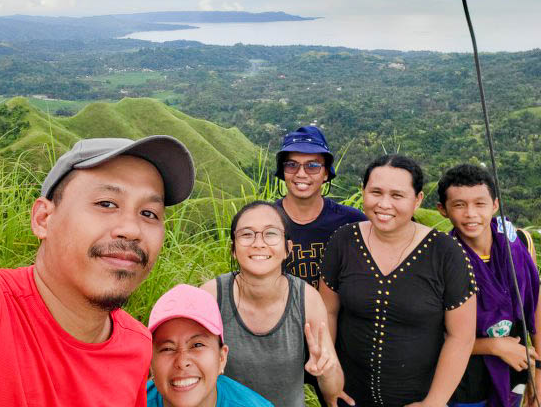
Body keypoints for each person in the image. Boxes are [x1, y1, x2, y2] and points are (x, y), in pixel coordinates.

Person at [0, 136, 195, 406]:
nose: (131, 230)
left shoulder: (137, 345)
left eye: (148, 214)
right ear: (43, 219)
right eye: (106, 203)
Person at [320, 154, 477, 407]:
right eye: (376, 192)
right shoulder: (343, 241)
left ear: (418, 200)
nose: (384, 204)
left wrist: (434, 402)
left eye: (397, 195)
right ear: (363, 192)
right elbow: (327, 311)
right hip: (348, 395)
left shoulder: (445, 252)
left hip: (418, 397)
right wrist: (330, 372)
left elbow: (461, 336)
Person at [201, 200, 344, 406]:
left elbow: (333, 393)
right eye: (247, 234)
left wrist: (326, 371)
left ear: (288, 248)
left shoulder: (307, 299)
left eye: (271, 233)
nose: (259, 243)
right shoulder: (211, 296)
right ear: (233, 248)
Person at [274, 125, 366, 406]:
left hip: (340, 339)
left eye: (313, 165)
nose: (301, 174)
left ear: (326, 173)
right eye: (292, 165)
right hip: (280, 337)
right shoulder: (266, 219)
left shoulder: (351, 222)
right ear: (282, 171)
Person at [437, 164, 541, 407]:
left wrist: (539, 370)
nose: (471, 214)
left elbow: (535, 304)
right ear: (443, 210)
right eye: (459, 205)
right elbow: (430, 334)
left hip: (515, 367)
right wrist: (493, 346)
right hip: (465, 380)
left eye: (480, 203)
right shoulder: (441, 258)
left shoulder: (519, 243)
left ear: (495, 204)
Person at [146, 283, 274, 407]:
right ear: (151, 363)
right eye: (167, 348)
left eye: (197, 345)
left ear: (221, 358)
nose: (182, 362)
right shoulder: (132, 401)